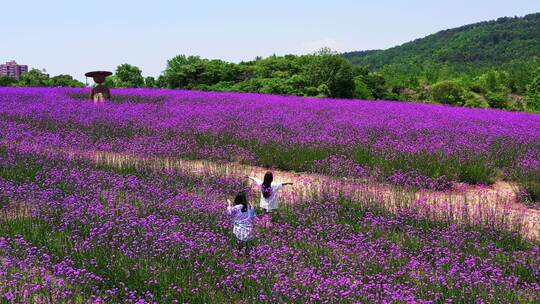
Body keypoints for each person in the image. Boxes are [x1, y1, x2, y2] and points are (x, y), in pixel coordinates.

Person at [227, 191, 256, 256]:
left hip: (239, 230)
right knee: (247, 245)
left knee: (239, 245)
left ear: (237, 199)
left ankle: (239, 255)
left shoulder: (236, 207)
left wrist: (229, 204)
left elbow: (229, 213)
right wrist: (252, 206)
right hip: (249, 230)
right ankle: (247, 254)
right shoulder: (249, 207)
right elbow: (253, 216)